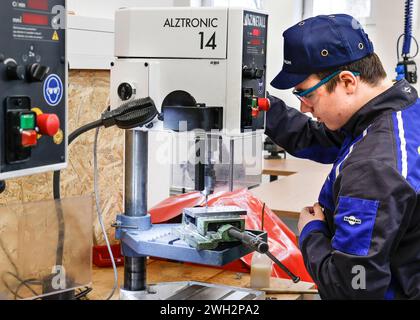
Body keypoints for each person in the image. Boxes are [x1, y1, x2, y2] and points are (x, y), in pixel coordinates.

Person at [265, 14, 420, 299]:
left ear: (348, 81)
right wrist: (263, 109)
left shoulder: (372, 168)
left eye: (305, 95)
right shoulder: (399, 112)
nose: (304, 108)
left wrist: (311, 233)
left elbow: (350, 288)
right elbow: (324, 139)